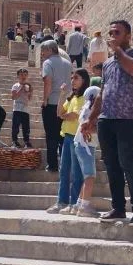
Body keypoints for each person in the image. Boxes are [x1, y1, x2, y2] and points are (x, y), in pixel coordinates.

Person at [80, 20, 133, 226]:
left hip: (127, 118)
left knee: (127, 162)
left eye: (116, 32)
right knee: (111, 164)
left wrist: (118, 51)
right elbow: (102, 92)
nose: (112, 36)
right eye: (110, 32)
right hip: (106, 119)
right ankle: (118, 208)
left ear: (128, 35)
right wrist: (90, 119)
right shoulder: (108, 64)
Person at [47, 69, 90, 215]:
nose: (72, 80)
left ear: (83, 80)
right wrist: (62, 94)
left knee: (76, 172)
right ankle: (61, 201)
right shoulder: (71, 97)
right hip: (67, 137)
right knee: (64, 170)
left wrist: (66, 115)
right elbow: (60, 113)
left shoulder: (85, 97)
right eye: (71, 78)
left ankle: (74, 203)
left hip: (77, 138)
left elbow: (74, 115)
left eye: (76, 78)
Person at [41, 39, 73, 172]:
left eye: (43, 50)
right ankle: (65, 164)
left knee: (51, 135)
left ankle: (53, 164)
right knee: (63, 134)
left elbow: (47, 82)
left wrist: (45, 100)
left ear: (50, 50)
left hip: (53, 103)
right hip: (66, 104)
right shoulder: (68, 63)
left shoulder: (48, 63)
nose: (42, 54)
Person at [74, 85, 101, 217]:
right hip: (85, 146)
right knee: (90, 177)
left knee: (87, 177)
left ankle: (79, 204)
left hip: (82, 145)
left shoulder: (86, 108)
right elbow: (88, 128)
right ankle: (84, 207)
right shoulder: (91, 111)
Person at [11, 68, 33, 148]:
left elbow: (30, 98)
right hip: (17, 109)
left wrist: (30, 91)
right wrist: (21, 89)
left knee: (26, 127)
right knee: (15, 126)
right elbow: (13, 97)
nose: (23, 77)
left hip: (25, 110)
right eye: (21, 75)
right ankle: (14, 141)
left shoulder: (28, 86)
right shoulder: (15, 86)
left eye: (25, 75)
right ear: (18, 76)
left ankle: (26, 141)